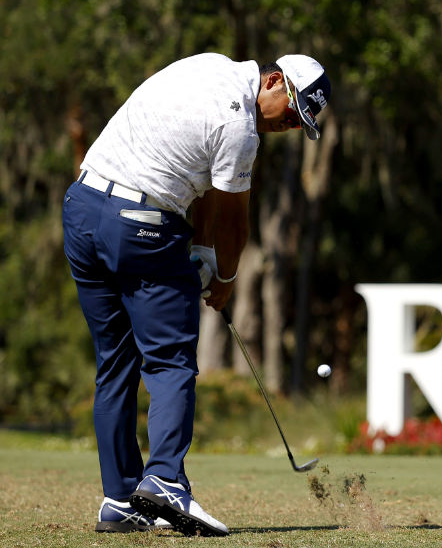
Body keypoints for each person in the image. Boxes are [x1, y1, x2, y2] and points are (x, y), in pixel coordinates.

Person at [62, 52, 331, 536]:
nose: (289, 126)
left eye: (300, 124)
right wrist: (224, 279)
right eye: (291, 113)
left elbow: (202, 178)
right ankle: (165, 479)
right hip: (138, 227)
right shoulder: (242, 128)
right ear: (273, 81)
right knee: (170, 363)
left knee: (115, 364)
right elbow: (234, 218)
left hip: (83, 210)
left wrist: (201, 249)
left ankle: (121, 499)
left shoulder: (209, 65)